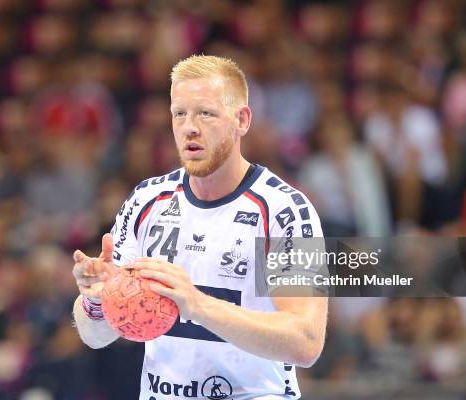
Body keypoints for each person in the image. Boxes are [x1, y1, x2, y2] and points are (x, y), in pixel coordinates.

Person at [71, 55, 327, 399]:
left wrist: (197, 305)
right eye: (180, 113)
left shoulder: (287, 210)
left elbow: (306, 342)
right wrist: (98, 302)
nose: (190, 127)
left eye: (205, 113)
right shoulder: (146, 200)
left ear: (242, 120)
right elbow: (95, 336)